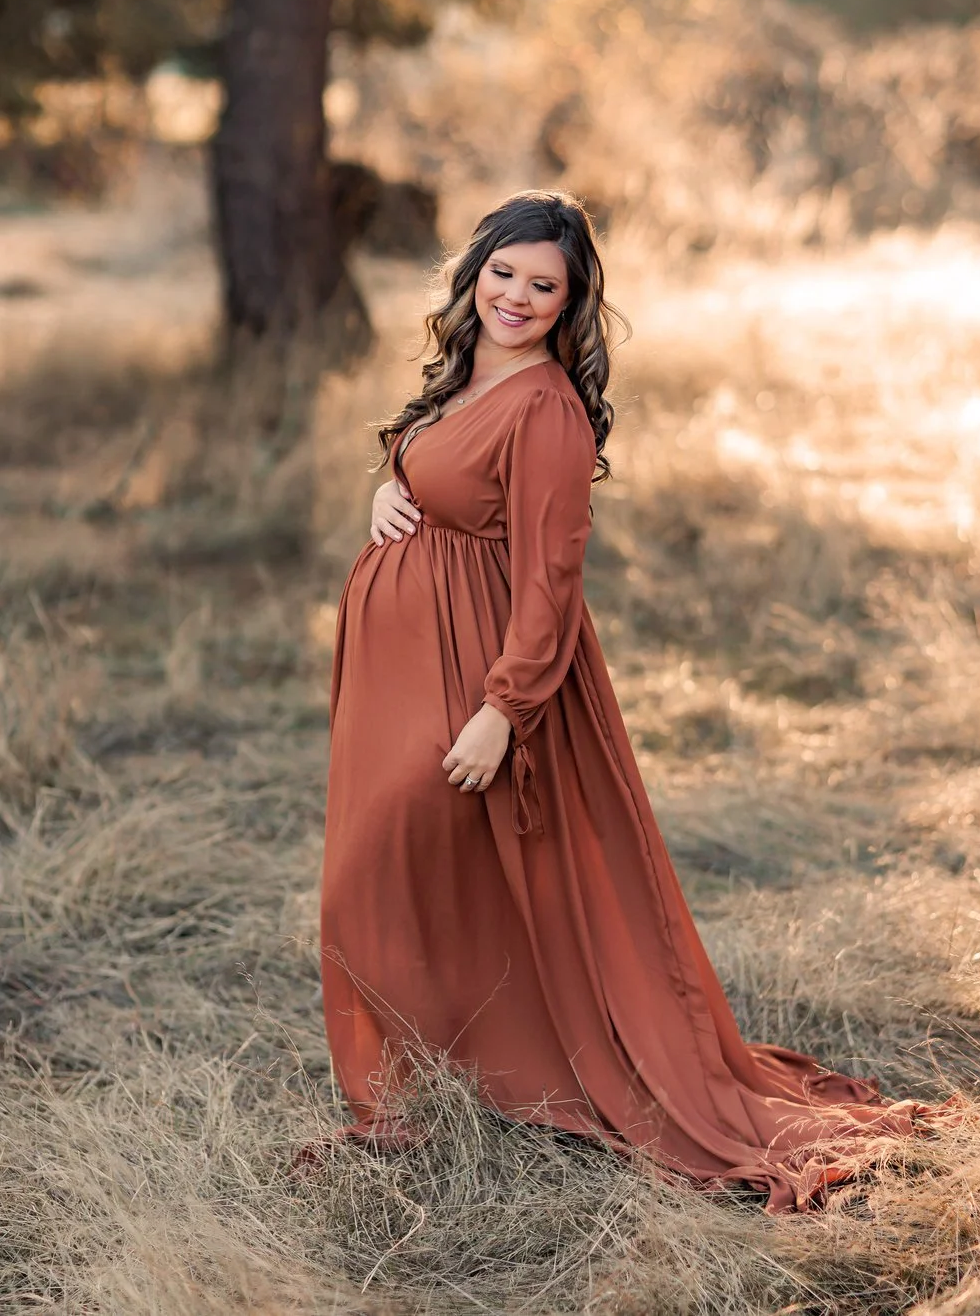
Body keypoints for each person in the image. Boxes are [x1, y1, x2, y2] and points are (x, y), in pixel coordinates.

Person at [319, 188, 945, 1214]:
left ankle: (467, 1076)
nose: (517, 295)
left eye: (543, 285)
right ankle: (439, 1085)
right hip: (401, 670)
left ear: (570, 304)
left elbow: (550, 576)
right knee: (401, 871)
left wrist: (502, 706)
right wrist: (389, 487)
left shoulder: (548, 409)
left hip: (477, 673)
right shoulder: (468, 371)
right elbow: (435, 468)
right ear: (476, 271)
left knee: (386, 862)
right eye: (505, 272)